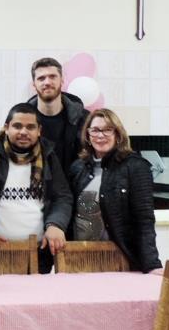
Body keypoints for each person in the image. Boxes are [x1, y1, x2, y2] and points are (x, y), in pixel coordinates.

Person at [0, 103, 74, 274]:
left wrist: (56, 225)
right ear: (6, 128)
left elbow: (63, 197)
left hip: (39, 255)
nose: (23, 132)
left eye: (30, 127)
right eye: (17, 126)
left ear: (39, 131)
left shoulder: (48, 157)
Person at [67, 108, 161, 272]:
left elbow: (144, 221)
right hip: (80, 257)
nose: (100, 135)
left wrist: (152, 264)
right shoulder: (78, 168)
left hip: (119, 258)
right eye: (95, 130)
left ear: (118, 135)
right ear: (88, 136)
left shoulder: (136, 167)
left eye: (107, 130)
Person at [27, 57, 88, 174]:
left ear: (62, 80)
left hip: (74, 189)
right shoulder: (22, 122)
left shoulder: (84, 119)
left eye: (52, 77)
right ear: (34, 84)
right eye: (41, 78)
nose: (47, 82)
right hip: (37, 188)